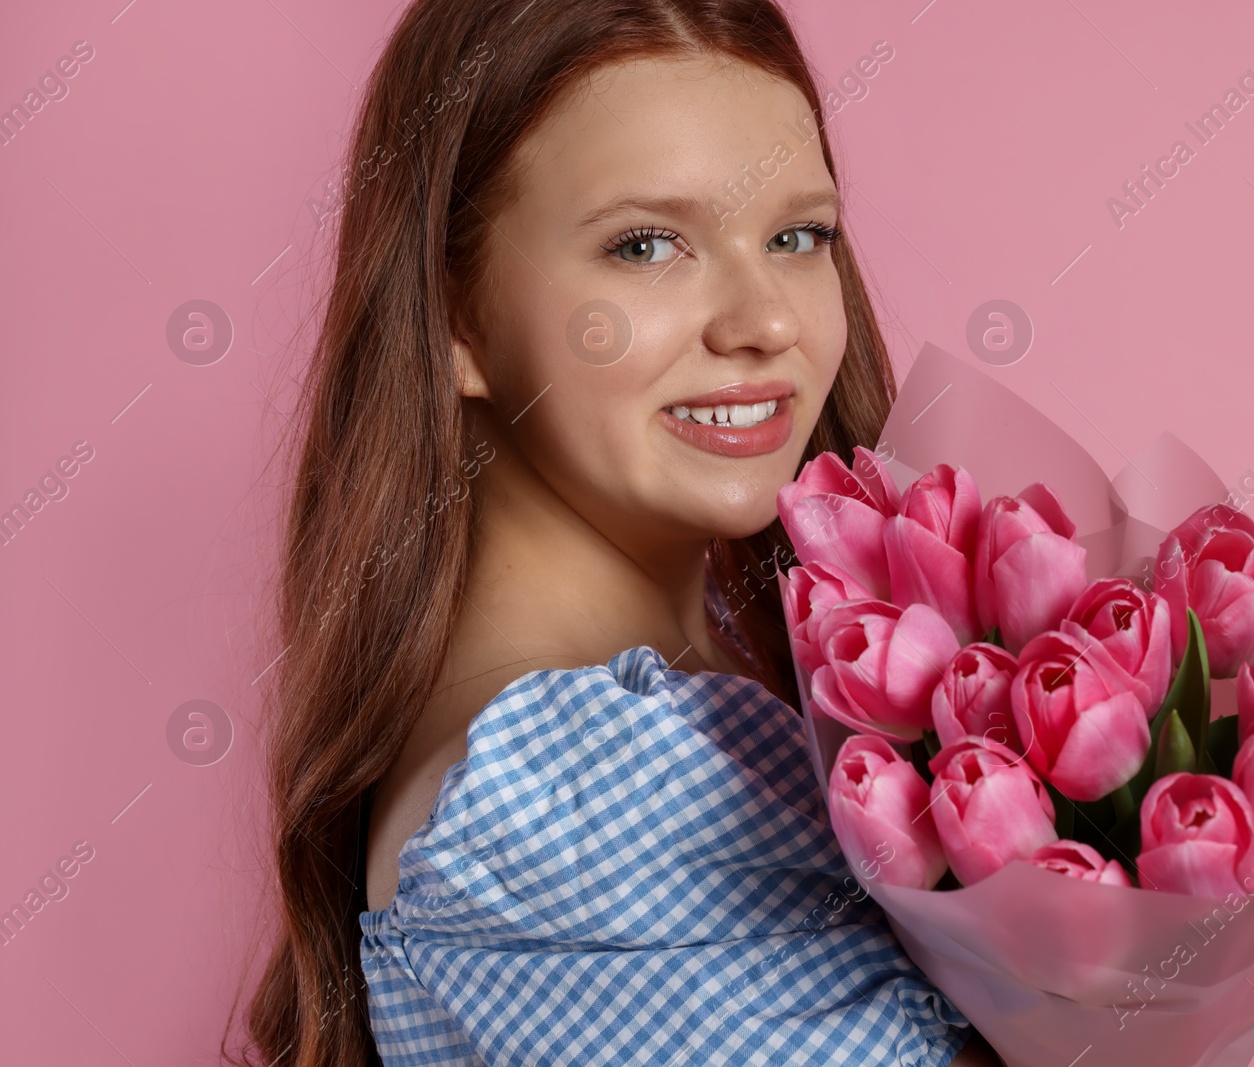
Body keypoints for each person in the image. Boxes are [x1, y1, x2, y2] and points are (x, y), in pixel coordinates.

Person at [228, 1, 1003, 1064]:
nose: (764, 318)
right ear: (455, 313)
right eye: (645, 245)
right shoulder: (580, 787)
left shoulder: (700, 716)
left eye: (797, 235)